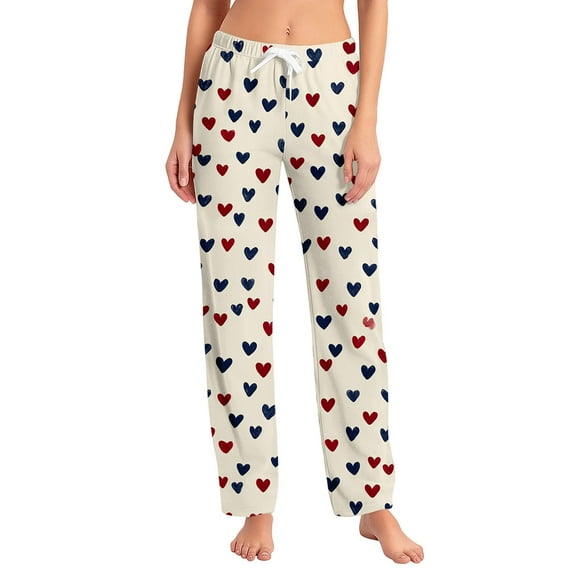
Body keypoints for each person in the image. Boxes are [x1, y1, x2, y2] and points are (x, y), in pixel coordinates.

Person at [165, 0, 424, 564]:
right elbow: (208, 6)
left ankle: (372, 499)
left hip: (330, 84)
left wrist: (367, 119)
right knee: (234, 305)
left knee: (352, 304)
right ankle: (254, 500)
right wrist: (183, 122)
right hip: (231, 87)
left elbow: (374, 5)